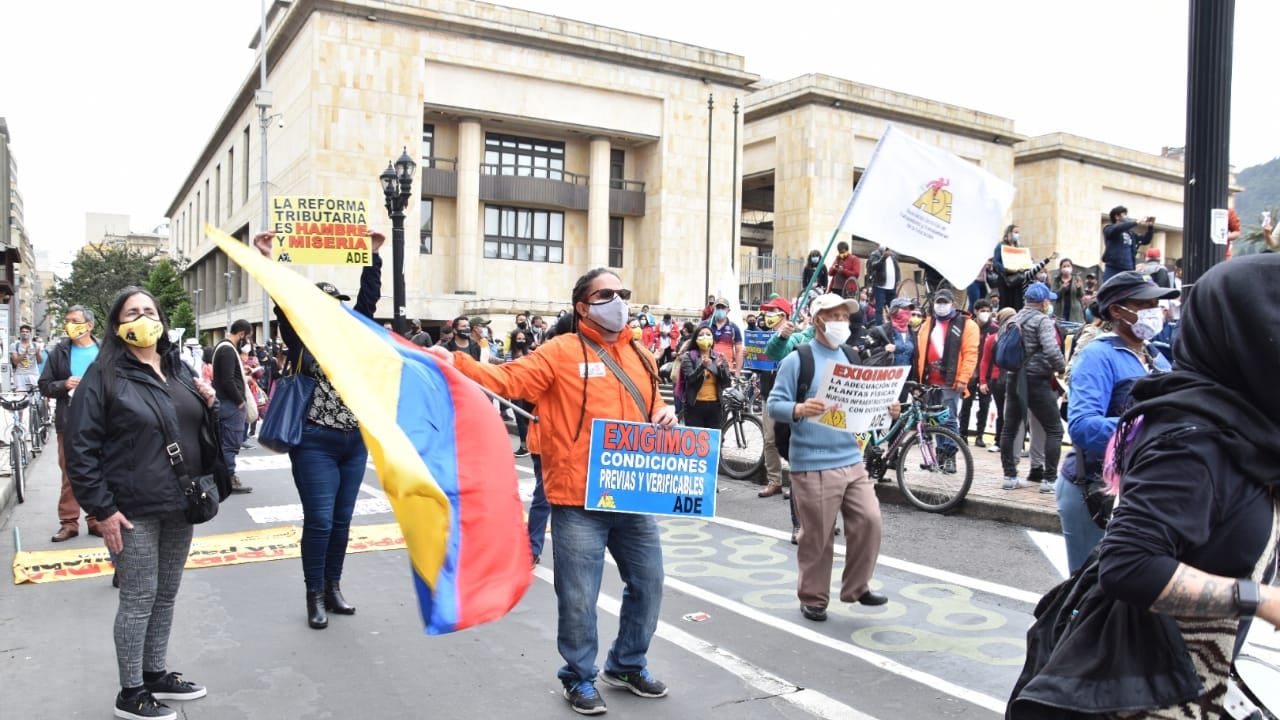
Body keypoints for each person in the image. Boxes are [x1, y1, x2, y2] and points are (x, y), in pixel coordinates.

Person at [1010, 253, 1280, 719]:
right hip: (1144, 691)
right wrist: (1139, 435)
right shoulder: (1188, 438)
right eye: (1143, 303)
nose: (1155, 311)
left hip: (1199, 678)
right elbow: (1128, 563)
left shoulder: (1225, 414)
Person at [431, 269, 675, 715]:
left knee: (650, 583)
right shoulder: (558, 352)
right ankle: (578, 677)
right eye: (606, 294)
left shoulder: (642, 355)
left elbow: (654, 402)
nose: (618, 301)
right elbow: (505, 381)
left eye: (623, 293)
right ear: (583, 306)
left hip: (632, 497)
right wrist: (455, 362)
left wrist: (662, 415)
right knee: (579, 595)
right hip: (576, 500)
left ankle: (625, 664)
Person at [65, 287, 223, 720]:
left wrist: (209, 404)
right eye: (132, 312)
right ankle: (130, 692)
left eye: (149, 311)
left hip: (180, 502)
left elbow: (195, 430)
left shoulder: (177, 369)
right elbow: (80, 448)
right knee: (138, 598)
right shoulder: (105, 376)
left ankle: (155, 674)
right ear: (117, 325)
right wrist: (101, 507)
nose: (142, 318)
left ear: (162, 320)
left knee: (166, 594)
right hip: (130, 508)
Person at [253, 231, 382, 630]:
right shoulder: (300, 338)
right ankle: (313, 594)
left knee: (342, 520)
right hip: (314, 442)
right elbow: (283, 298)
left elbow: (369, 300)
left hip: (353, 443)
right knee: (321, 520)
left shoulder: (355, 335)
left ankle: (333, 587)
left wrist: (373, 256)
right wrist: (268, 259)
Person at [767, 293, 889, 622]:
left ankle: (857, 586)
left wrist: (886, 406)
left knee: (870, 520)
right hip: (813, 463)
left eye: (845, 316)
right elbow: (773, 404)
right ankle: (814, 597)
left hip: (851, 459)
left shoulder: (852, 355)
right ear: (819, 320)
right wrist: (799, 408)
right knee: (818, 536)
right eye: (834, 315)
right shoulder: (798, 359)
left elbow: (862, 403)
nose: (841, 322)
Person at [1055, 272, 1175, 573]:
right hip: (1095, 490)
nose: (1155, 311)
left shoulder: (1157, 358)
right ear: (1117, 311)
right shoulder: (1098, 356)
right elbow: (1082, 426)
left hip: (1140, 490)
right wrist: (1146, 428)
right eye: (1144, 303)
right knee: (1086, 594)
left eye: (1156, 304)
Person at [39, 306, 103, 542]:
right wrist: (64, 384)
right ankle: (69, 522)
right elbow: (44, 384)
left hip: (101, 421)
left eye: (74, 321)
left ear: (89, 325)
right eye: (67, 321)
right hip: (69, 421)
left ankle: (97, 519)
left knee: (101, 469)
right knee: (70, 472)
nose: (69, 325)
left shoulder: (104, 350)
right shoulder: (60, 352)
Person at [998, 283, 1066, 491]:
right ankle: (1049, 480)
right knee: (1054, 429)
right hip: (1036, 380)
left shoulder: (1012, 320)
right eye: (1048, 301)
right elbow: (1051, 349)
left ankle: (1010, 477)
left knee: (1009, 428)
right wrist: (1061, 368)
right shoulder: (1042, 320)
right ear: (1043, 302)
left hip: (1013, 378)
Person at [911, 289, 979, 473]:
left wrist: (963, 378)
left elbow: (970, 354)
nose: (941, 306)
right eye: (938, 302)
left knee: (948, 419)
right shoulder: (928, 323)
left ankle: (950, 457)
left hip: (951, 381)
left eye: (944, 302)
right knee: (934, 420)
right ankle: (939, 456)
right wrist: (918, 381)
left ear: (953, 304)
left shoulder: (967, 325)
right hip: (929, 380)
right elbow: (919, 352)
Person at [212, 319, 254, 494]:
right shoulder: (229, 350)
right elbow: (228, 380)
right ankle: (229, 478)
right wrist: (239, 400)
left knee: (222, 442)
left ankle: (220, 478)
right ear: (242, 334)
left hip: (222, 401)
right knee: (230, 443)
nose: (247, 342)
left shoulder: (220, 347)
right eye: (248, 337)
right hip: (230, 404)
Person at [679, 326, 732, 430]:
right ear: (696, 339)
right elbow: (690, 379)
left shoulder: (719, 357)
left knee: (714, 441)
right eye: (701, 335)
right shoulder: (689, 356)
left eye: (708, 335)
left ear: (712, 339)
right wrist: (702, 367)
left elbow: (726, 383)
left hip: (715, 406)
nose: (705, 337)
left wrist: (720, 367)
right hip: (694, 406)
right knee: (695, 441)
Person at [958, 299, 995, 446]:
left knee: (984, 406)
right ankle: (962, 434)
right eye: (982, 311)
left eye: (987, 311)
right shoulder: (968, 327)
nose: (985, 314)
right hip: (970, 372)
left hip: (986, 374)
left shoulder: (993, 329)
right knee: (966, 405)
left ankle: (980, 435)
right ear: (976, 311)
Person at [1101, 205, 1154, 281]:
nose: (1127, 217)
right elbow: (1118, 228)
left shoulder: (1131, 234)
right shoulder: (1109, 229)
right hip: (1113, 269)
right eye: (1124, 215)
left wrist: (1150, 227)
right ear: (1116, 216)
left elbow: (1145, 240)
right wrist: (1136, 222)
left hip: (1129, 270)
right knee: (1111, 291)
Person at [866, 245, 900, 326]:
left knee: (894, 307)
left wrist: (898, 279)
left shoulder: (893, 256)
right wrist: (883, 257)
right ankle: (879, 327)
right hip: (880, 286)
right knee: (879, 308)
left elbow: (897, 269)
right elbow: (874, 266)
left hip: (891, 286)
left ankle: (895, 326)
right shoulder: (875, 254)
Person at [11, 323, 44, 394]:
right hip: (20, 375)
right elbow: (15, 362)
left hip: (33, 374)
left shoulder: (36, 345)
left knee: (35, 395)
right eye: (23, 331)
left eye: (27, 332)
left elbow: (40, 361)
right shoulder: (14, 345)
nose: (25, 333)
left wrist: (38, 353)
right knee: (21, 397)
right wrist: (25, 352)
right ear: (20, 333)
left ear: (30, 333)